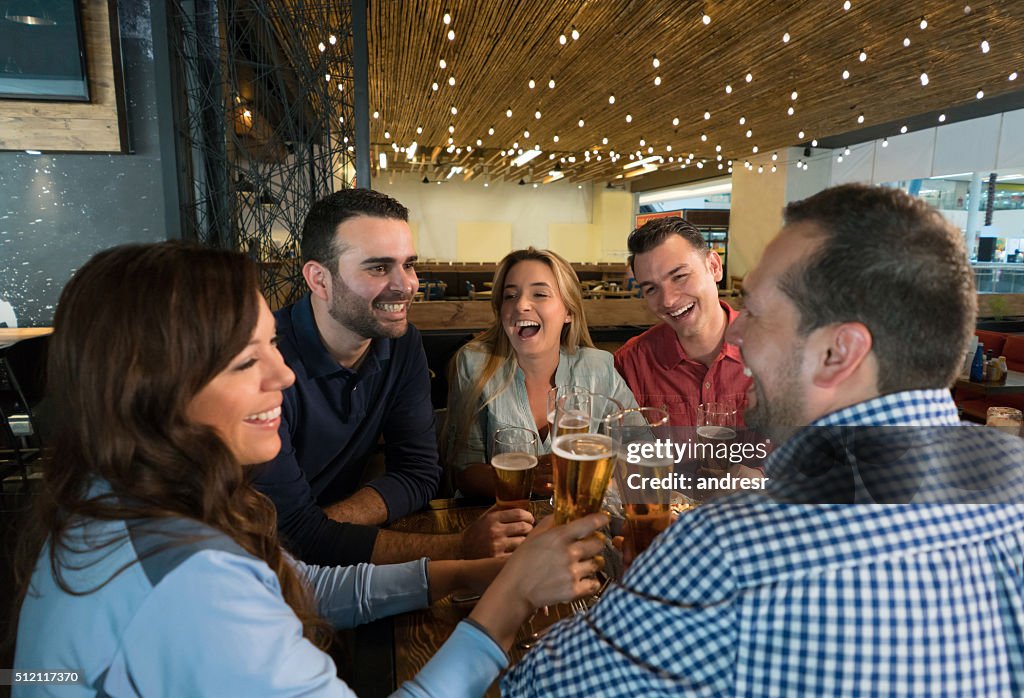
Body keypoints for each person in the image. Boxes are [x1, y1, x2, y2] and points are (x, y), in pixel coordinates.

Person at [11, 242, 609, 697]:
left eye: (273, 343)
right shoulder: (193, 582)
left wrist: (467, 573)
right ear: (151, 389)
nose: (285, 376)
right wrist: (508, 602)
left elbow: (302, 586)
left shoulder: (114, 497)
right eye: (249, 361)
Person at [504, 184, 1024, 696]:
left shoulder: (732, 548)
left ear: (838, 352)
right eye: (649, 287)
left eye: (757, 311)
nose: (736, 332)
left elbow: (534, 686)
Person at [254, 189, 533, 566]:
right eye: (379, 267)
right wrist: (459, 548)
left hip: (325, 553)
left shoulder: (401, 344)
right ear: (319, 280)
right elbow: (284, 535)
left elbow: (419, 474)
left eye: (409, 264)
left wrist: (321, 526)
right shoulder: (263, 364)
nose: (406, 285)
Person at [445, 248, 637, 498]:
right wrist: (524, 480)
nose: (521, 305)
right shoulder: (474, 364)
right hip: (504, 523)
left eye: (540, 294)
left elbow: (641, 449)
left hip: (580, 520)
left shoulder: (598, 367)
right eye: (510, 295)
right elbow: (464, 472)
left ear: (569, 311)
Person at [613, 217, 750, 426]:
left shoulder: (783, 349)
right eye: (651, 289)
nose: (668, 300)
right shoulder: (631, 364)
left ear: (714, 267)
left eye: (679, 277)